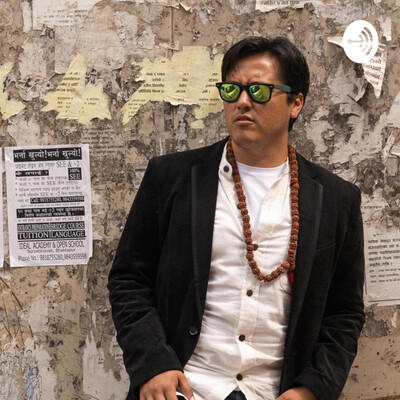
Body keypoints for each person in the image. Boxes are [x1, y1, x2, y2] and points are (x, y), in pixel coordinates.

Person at [108, 36, 365, 400]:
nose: (242, 101)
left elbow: (344, 312)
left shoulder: (336, 199)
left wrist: (311, 390)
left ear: (296, 103)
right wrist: (153, 364)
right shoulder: (172, 178)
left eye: (259, 90)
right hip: (186, 386)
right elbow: (129, 279)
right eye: (232, 90)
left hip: (275, 391)